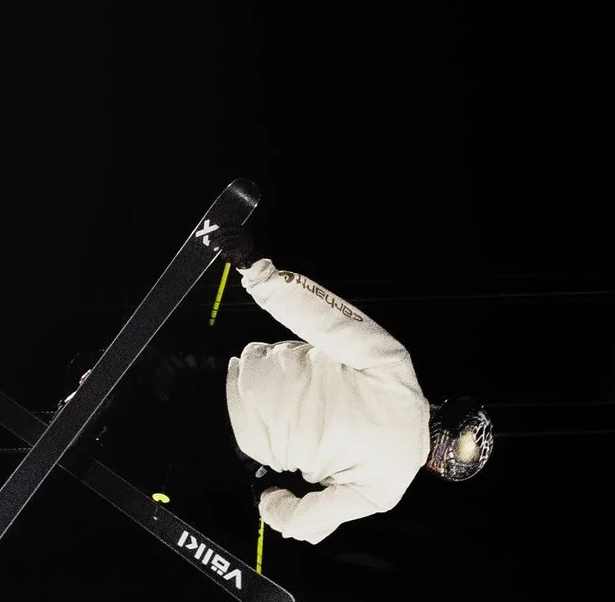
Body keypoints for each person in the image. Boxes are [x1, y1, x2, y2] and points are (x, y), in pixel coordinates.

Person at [150, 221, 493, 545]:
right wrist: (269, 495)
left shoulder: (397, 369)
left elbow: (322, 318)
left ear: (443, 409)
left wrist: (254, 268)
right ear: (438, 469)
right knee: (143, 448)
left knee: (146, 375)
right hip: (232, 447)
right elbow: (302, 523)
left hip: (227, 383)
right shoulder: (387, 490)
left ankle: (120, 389)